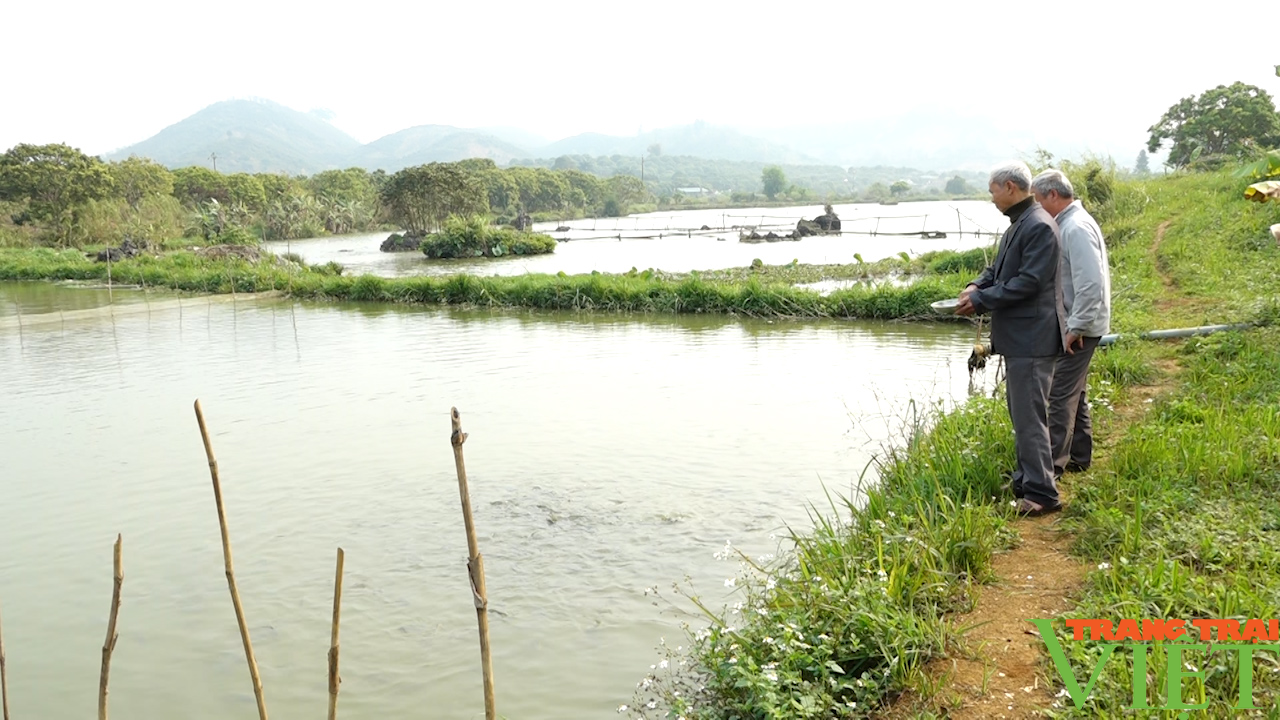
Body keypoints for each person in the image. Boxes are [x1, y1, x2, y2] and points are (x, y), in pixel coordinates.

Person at [956, 161, 1067, 516]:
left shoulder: (1038, 226)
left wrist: (981, 300)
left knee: (1030, 417)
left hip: (1033, 339)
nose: (991, 199)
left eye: (992, 191)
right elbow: (1000, 270)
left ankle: (1041, 494)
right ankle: (1027, 479)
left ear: (1009, 187)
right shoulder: (1020, 224)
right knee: (1022, 415)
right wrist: (977, 285)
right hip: (1021, 339)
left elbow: (1029, 282)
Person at [1031, 169, 1111, 479]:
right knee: (1075, 393)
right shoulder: (1069, 223)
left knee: (1059, 396)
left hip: (1080, 327)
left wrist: (1075, 327)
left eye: (1038, 200)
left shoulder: (1075, 228)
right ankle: (1079, 456)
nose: (1037, 208)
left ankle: (1050, 469)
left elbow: (1091, 283)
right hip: (1079, 324)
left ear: (1053, 195)